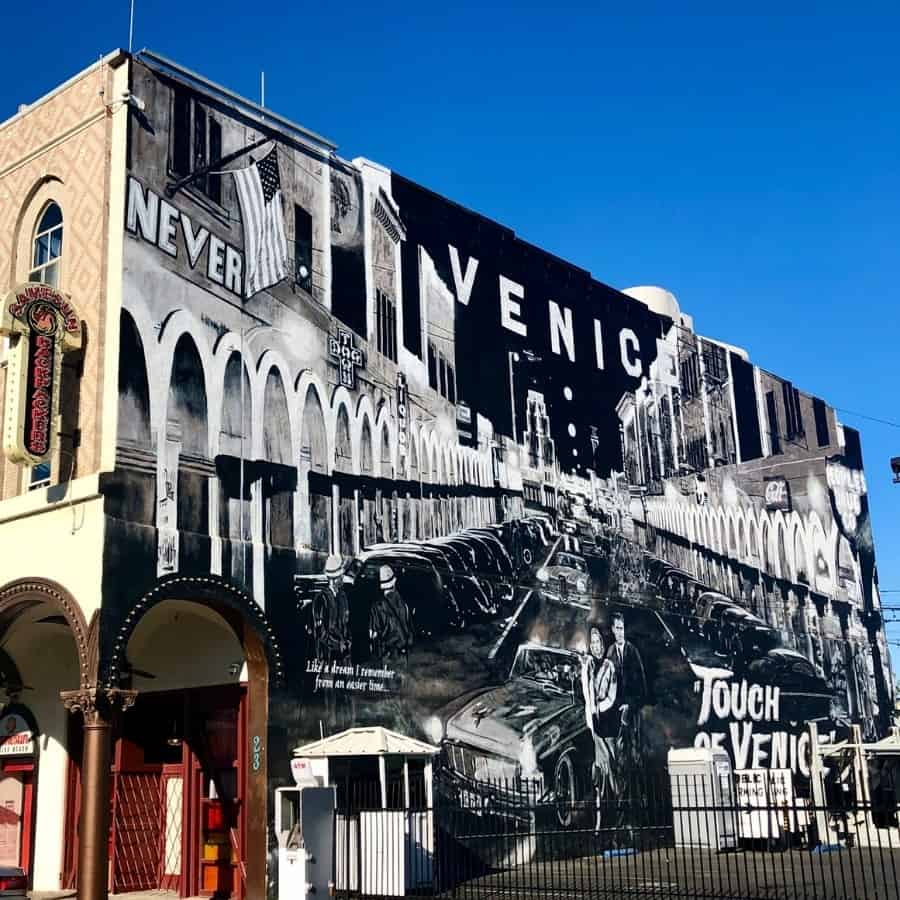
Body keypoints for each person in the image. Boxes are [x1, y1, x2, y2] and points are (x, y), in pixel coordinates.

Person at [605, 612, 647, 820]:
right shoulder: (610, 653)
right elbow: (606, 686)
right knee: (620, 758)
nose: (620, 632)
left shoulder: (633, 652)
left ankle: (641, 800)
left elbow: (642, 686)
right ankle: (623, 803)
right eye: (618, 628)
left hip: (633, 713)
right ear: (613, 630)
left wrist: (630, 705)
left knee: (636, 756)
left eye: (623, 628)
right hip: (617, 715)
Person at [581, 624, 618, 834]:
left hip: (607, 725)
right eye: (593, 642)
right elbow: (586, 696)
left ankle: (614, 817)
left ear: (603, 644)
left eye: (598, 642)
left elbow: (611, 698)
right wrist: (591, 718)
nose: (596, 646)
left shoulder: (609, 667)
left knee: (610, 773)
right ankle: (600, 822)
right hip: (593, 727)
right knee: (598, 777)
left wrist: (597, 709)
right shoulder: (587, 666)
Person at [369, 565, 412, 663]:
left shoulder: (377, 606)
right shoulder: (403, 602)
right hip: (403, 654)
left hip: (387, 656)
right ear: (394, 582)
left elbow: (373, 635)